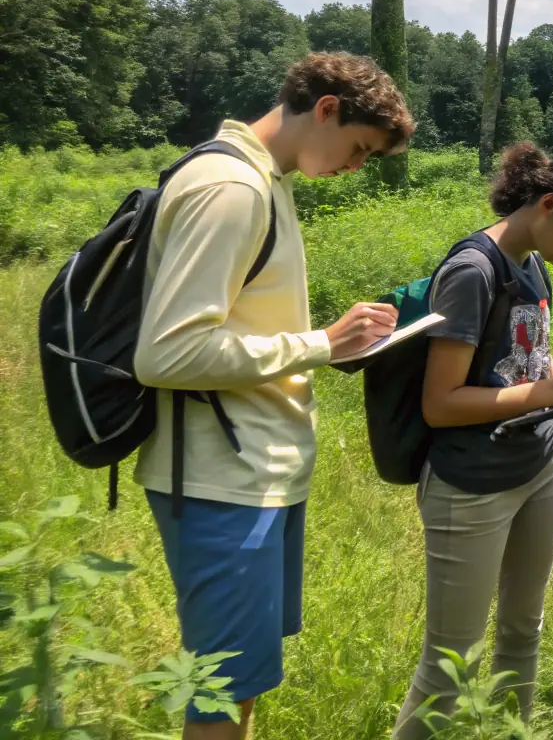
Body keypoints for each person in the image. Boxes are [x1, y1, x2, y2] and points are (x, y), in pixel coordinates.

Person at [133, 52, 415, 740]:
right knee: (219, 694)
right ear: (324, 109)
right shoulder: (230, 188)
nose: (355, 167)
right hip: (220, 480)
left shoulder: (264, 180)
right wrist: (322, 343)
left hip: (255, 472)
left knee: (241, 681)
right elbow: (165, 352)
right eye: (358, 148)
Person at [392, 142, 553, 738]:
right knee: (451, 664)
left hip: (536, 468)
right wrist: (549, 394)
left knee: (524, 630)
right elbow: (440, 403)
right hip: (471, 487)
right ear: (548, 204)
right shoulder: (473, 271)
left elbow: (525, 361)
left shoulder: (535, 263)